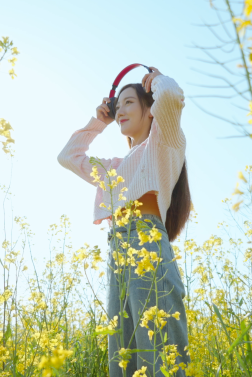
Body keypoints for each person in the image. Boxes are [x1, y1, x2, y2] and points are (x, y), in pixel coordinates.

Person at [57, 66, 192, 377]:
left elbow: (171, 95)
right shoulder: (113, 168)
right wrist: (98, 122)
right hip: (118, 250)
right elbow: (67, 156)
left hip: (148, 244)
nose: (120, 110)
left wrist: (154, 78)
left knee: (161, 352)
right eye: (117, 106)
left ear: (149, 109)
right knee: (123, 358)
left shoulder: (165, 141)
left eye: (129, 102)